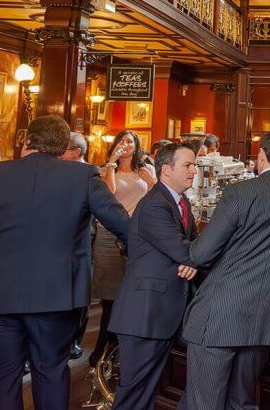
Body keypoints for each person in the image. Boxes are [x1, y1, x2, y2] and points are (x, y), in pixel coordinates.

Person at [0, 115, 129, 409]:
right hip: (58, 295)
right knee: (50, 372)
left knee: (0, 377)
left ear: (26, 140)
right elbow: (123, 225)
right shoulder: (82, 176)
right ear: (64, 146)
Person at [180, 129, 270, 410]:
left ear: (261, 156)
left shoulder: (239, 193)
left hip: (222, 311)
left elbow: (202, 252)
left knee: (204, 404)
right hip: (268, 316)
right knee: (242, 402)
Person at [109, 142, 199, 410]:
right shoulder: (155, 206)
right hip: (144, 314)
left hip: (163, 313)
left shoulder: (180, 202)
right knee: (134, 395)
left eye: (194, 165)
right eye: (188, 165)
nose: (194, 170)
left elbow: (191, 248)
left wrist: (192, 261)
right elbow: (185, 249)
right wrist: (191, 258)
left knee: (147, 393)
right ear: (166, 170)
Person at [90, 130, 156, 369]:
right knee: (110, 296)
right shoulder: (104, 170)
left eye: (131, 141)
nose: (126, 144)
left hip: (136, 235)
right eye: (122, 140)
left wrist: (152, 181)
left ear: (137, 146)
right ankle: (102, 348)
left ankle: (122, 346)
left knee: (130, 292)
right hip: (109, 234)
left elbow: (155, 197)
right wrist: (112, 162)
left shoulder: (145, 169)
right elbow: (110, 194)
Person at [61, 132, 90, 360]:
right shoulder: (55, 173)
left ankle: (74, 341)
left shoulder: (89, 174)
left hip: (81, 243)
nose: (60, 154)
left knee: (79, 296)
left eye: (65, 150)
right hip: (57, 244)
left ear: (77, 152)